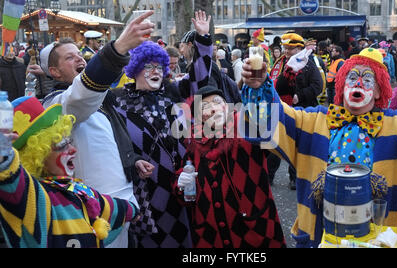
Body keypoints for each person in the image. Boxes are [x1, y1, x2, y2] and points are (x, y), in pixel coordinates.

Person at [240, 47, 397, 247]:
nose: (358, 83)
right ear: (342, 85)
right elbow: (269, 119)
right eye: (352, 77)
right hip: (320, 235)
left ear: (378, 91)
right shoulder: (313, 120)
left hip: (379, 238)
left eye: (367, 79)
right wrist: (259, 87)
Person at [39, 11, 156, 248]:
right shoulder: (54, 104)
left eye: (80, 54)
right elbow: (83, 94)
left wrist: (132, 161)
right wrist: (120, 47)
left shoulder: (102, 100)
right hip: (93, 212)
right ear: (55, 72)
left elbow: (107, 143)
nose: (80, 59)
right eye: (69, 58)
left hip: (122, 207)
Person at [110, 10, 214, 248]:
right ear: (135, 68)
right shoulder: (116, 100)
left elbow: (200, 76)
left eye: (159, 66)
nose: (155, 71)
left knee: (184, 236)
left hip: (179, 183)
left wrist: (203, 39)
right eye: (148, 66)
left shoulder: (173, 92)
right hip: (144, 189)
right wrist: (133, 159)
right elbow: (114, 142)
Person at [0, 96, 139, 248]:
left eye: (69, 142)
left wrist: (132, 211)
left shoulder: (78, 191)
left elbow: (108, 207)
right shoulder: (35, 199)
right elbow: (13, 183)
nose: (73, 150)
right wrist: (4, 158)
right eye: (61, 146)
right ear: (36, 157)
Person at [176, 85, 286, 248]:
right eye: (205, 107)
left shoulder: (246, 128)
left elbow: (270, 119)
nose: (213, 109)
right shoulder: (192, 145)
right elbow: (185, 195)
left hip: (255, 233)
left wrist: (261, 87)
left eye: (217, 102)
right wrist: (180, 186)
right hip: (212, 238)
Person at [268, 33, 323, 190]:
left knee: (298, 145)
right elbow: (277, 86)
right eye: (285, 48)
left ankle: (295, 178)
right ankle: (268, 176)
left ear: (300, 48)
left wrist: (300, 95)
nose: (286, 51)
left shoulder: (309, 64)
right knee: (274, 144)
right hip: (282, 109)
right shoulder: (282, 63)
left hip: (302, 110)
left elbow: (317, 86)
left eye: (290, 49)